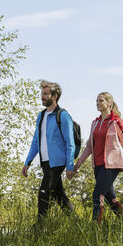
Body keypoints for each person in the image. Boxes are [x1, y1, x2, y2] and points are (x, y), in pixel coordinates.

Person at [75, 92, 123, 223]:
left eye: (101, 100)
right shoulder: (95, 123)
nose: (97, 103)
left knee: (97, 195)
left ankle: (95, 230)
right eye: (97, 101)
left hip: (112, 165)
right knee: (111, 198)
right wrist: (79, 162)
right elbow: (89, 147)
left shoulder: (116, 122)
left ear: (109, 103)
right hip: (97, 166)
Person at [22, 80, 76, 223]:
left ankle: (38, 230)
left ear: (54, 96)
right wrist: (27, 162)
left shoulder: (63, 116)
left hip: (57, 162)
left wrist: (70, 166)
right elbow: (35, 141)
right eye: (42, 94)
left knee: (43, 193)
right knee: (59, 196)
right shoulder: (41, 116)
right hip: (45, 161)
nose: (43, 96)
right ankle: (77, 224)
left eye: (46, 94)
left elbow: (70, 143)